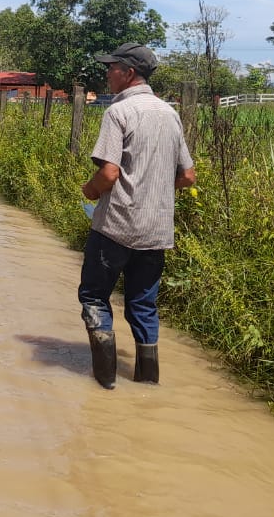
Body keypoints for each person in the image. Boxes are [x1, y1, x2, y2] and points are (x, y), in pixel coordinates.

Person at [78, 43, 196, 390]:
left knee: (94, 297)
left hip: (116, 227)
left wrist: (91, 190)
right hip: (157, 230)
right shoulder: (169, 114)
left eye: (111, 67)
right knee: (143, 305)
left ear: (128, 73)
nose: (107, 72)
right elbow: (188, 176)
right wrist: (154, 189)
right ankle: (148, 383)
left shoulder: (118, 113)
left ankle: (105, 383)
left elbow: (109, 174)